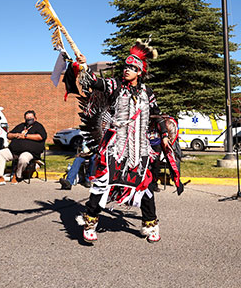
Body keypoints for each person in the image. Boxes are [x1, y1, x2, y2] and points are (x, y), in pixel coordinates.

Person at [73, 39, 183, 244]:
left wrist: (165, 135)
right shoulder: (116, 86)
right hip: (115, 147)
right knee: (102, 183)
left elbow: (157, 116)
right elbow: (96, 83)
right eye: (125, 67)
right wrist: (84, 67)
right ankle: (90, 224)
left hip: (140, 149)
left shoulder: (147, 93)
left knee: (145, 186)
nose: (126, 70)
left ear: (139, 71)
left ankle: (150, 226)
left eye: (131, 68)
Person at [0, 110, 47, 186]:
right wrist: (16, 135)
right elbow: (8, 135)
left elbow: (41, 137)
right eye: (27, 118)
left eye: (31, 118)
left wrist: (26, 136)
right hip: (14, 151)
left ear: (35, 118)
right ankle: (0, 177)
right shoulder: (21, 126)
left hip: (29, 152)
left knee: (23, 158)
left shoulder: (38, 127)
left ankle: (17, 176)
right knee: (1, 153)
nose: (29, 120)